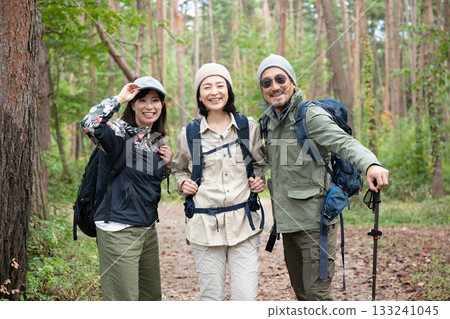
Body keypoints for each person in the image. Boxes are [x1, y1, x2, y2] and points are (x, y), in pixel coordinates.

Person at [256, 54, 390, 301]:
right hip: (288, 226)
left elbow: (344, 143)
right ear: (262, 90)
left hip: (317, 226)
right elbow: (261, 158)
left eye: (279, 79)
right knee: (303, 297)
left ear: (292, 81)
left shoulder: (310, 116)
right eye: (266, 83)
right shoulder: (268, 123)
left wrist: (370, 164)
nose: (274, 86)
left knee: (317, 298)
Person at [172, 63, 267, 301]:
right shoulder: (189, 134)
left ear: (228, 90)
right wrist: (183, 184)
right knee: (212, 298)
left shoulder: (248, 127)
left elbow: (261, 163)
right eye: (207, 87)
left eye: (219, 85)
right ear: (199, 95)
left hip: (244, 224)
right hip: (204, 226)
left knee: (245, 299)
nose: (214, 92)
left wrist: (259, 180)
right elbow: (178, 169)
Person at [80, 76, 173, 301]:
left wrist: (167, 165)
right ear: (133, 104)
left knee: (149, 298)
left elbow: (142, 184)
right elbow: (89, 123)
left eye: (155, 100)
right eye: (142, 100)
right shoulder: (119, 131)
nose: (149, 107)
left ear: (162, 105)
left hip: (146, 229)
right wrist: (119, 97)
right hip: (118, 228)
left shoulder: (154, 139)